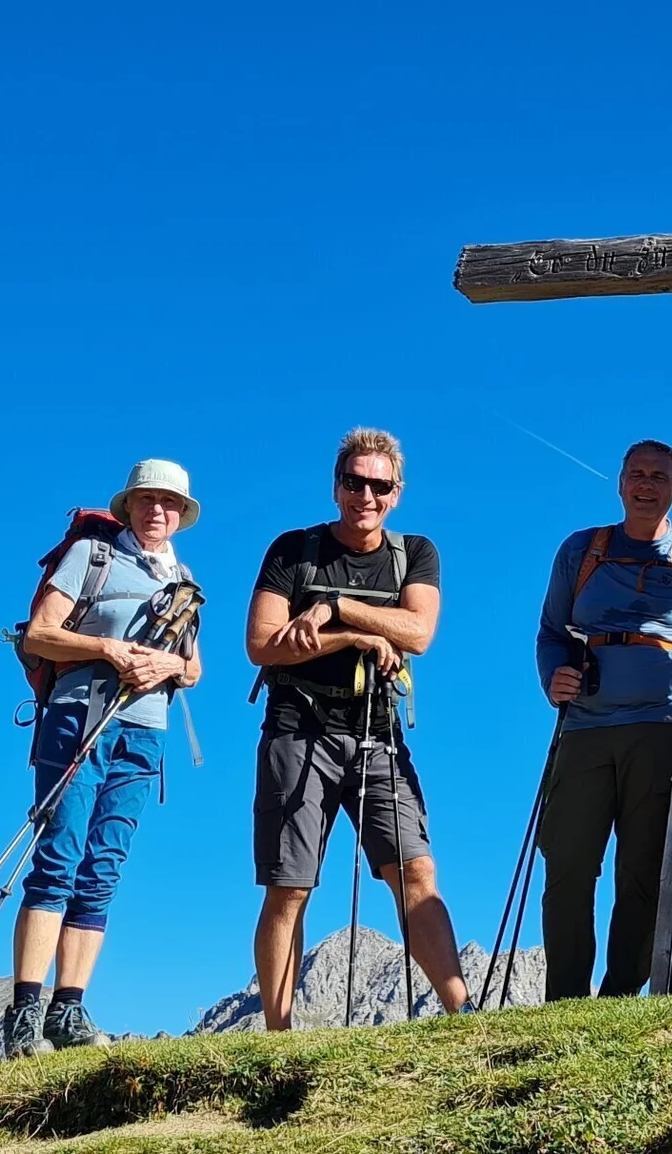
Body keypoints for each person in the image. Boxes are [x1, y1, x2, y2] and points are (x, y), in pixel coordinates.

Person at [246, 428, 470, 1025]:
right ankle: (276, 1034)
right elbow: (261, 645)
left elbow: (419, 633)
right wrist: (358, 636)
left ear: (396, 493)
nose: (366, 495)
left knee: (415, 869)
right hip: (298, 729)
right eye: (355, 482)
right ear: (336, 486)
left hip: (379, 734)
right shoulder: (293, 551)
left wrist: (335, 608)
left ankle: (462, 1014)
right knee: (290, 886)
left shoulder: (415, 554)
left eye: (379, 485)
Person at [5, 458, 203, 1058]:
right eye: (148, 501)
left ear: (181, 515)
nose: (158, 512)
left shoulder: (185, 579)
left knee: (104, 869)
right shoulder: (92, 558)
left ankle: (68, 1010)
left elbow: (194, 667)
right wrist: (108, 649)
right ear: (129, 505)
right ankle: (23, 1015)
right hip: (77, 719)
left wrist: (169, 664)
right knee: (58, 858)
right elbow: (38, 633)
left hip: (144, 735)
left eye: (169, 504)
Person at [534, 440, 672, 1000]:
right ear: (619, 482)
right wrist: (554, 678)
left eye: (659, 476)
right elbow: (551, 634)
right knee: (567, 861)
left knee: (644, 867)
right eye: (636, 474)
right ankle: (565, 997)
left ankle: (618, 996)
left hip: (666, 725)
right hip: (586, 725)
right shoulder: (582, 550)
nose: (646, 485)